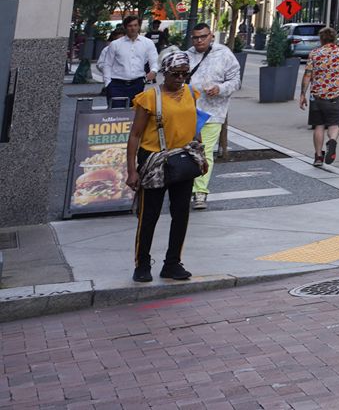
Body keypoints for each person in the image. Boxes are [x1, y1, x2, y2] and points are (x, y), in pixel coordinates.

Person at [126, 50, 200, 283]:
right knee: (149, 215)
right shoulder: (149, 98)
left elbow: (195, 125)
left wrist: (200, 156)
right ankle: (142, 264)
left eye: (185, 74)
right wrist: (131, 170)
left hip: (183, 158)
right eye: (175, 74)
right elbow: (135, 135)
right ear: (164, 73)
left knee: (181, 213)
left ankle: (172, 263)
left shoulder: (191, 93)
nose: (180, 78)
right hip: (154, 160)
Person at [178, 22, 241, 209]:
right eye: (196, 37)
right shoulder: (186, 56)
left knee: (204, 151)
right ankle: (185, 187)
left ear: (211, 36)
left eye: (203, 37)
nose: (199, 41)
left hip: (213, 112)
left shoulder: (224, 54)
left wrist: (219, 88)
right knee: (185, 150)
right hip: (187, 111)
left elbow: (236, 81)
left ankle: (200, 192)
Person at [298, 26, 339, 168]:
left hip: (317, 96)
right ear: (335, 38)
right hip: (335, 96)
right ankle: (332, 141)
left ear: (321, 39)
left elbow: (307, 76)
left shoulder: (314, 54)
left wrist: (302, 94)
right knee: (334, 125)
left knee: (319, 125)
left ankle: (318, 157)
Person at [96, 15, 158, 106]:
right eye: (130, 26)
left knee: (135, 111)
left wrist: (153, 71)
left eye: (135, 25)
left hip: (137, 84)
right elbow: (107, 65)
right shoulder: (115, 44)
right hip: (117, 84)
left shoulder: (148, 43)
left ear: (139, 26)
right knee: (116, 111)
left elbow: (154, 60)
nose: (133, 28)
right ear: (125, 27)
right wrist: (108, 84)